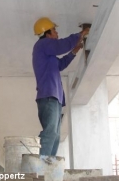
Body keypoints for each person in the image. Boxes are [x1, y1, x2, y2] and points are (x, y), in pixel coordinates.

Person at [32, 17, 89, 161]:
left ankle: (48, 164)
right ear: (47, 33)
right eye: (54, 30)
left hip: (55, 98)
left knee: (56, 135)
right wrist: (80, 34)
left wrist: (74, 51)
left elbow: (60, 64)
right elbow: (61, 46)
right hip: (48, 97)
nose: (57, 33)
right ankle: (42, 166)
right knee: (50, 132)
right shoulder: (42, 44)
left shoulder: (48, 55)